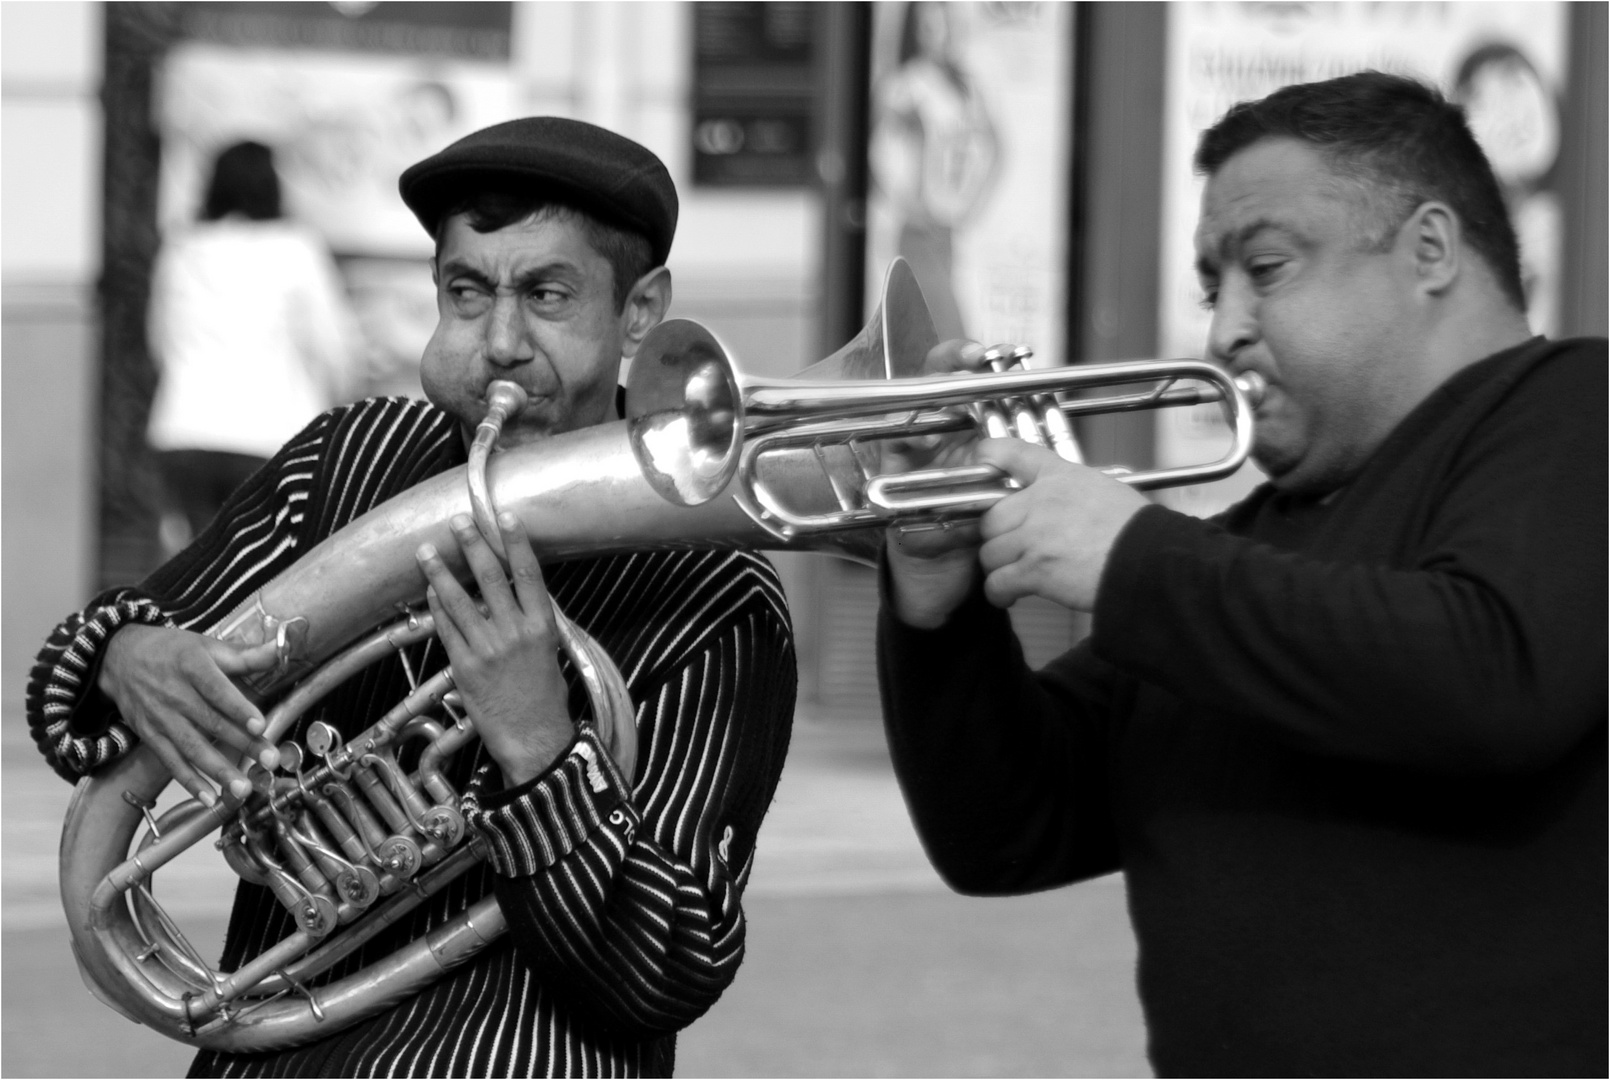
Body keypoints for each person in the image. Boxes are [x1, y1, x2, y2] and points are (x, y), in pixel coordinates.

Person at [28, 118, 797, 1077]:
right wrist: (126, 653)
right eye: (467, 293)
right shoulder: (347, 462)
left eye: (548, 295)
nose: (501, 344)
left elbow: (669, 967)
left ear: (641, 312)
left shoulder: (716, 593)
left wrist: (535, 744)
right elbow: (92, 681)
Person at [877, 72, 1605, 1075]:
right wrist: (938, 603)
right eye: (1211, 289)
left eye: (1264, 269)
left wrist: (1132, 559)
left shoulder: (1571, 410)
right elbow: (1002, 831)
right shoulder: (1242, 551)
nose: (1222, 331)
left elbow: (1491, 677)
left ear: (1428, 250)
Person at [147, 139, 362, 552]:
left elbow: (158, 339)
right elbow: (336, 347)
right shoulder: (295, 248)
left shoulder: (179, 249)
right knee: (262, 580)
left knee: (189, 579)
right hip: (271, 439)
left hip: (184, 431)